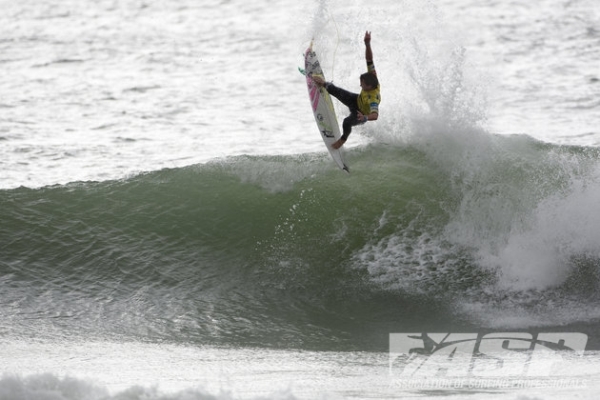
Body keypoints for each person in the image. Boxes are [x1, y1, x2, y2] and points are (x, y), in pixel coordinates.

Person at [313, 31, 380, 149]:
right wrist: (367, 44)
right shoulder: (372, 76)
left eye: (362, 85)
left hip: (361, 113)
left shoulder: (373, 98)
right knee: (336, 91)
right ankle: (323, 83)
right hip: (356, 100)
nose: (360, 86)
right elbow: (369, 59)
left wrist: (364, 118)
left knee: (347, 122)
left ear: (369, 87)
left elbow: (375, 115)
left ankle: (342, 140)